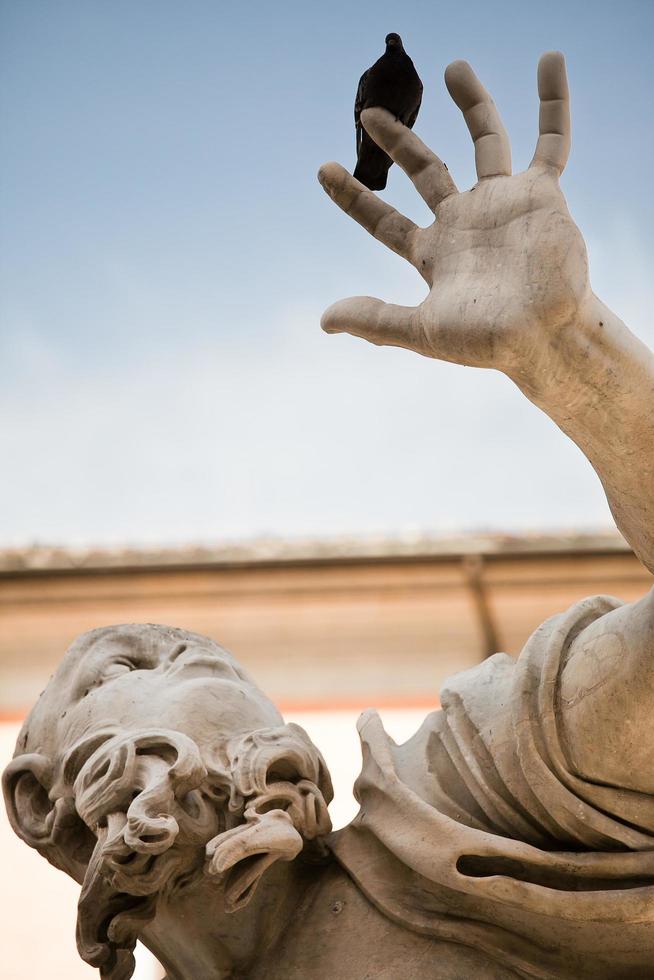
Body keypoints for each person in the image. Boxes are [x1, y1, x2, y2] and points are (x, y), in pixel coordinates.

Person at [5, 52, 654, 979]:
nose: (213, 670)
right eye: (136, 664)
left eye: (215, 660)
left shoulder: (455, 796)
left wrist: (571, 354)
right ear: (38, 805)